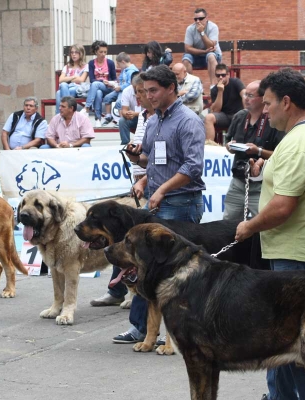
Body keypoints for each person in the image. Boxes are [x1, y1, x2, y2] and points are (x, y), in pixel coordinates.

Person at [235, 68, 305, 400]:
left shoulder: (299, 142)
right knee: (283, 344)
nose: (264, 110)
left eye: (267, 103)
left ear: (286, 102)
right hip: (297, 252)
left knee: (301, 352)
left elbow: (283, 207)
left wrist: (249, 226)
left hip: (297, 256)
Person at [115, 65, 205, 345]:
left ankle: (175, 332)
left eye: (153, 90)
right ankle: (141, 328)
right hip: (159, 200)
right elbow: (150, 160)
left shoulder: (188, 121)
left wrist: (163, 188)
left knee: (176, 271)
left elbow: (193, 167)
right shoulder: (153, 121)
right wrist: (140, 174)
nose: (148, 96)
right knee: (147, 266)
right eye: (145, 90)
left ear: (170, 89)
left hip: (181, 202)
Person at [90, 76, 154, 309]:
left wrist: (144, 181)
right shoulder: (144, 117)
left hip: (150, 186)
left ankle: (131, 293)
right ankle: (118, 289)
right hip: (138, 180)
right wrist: (134, 155)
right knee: (122, 238)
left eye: (142, 92)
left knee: (132, 242)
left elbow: (161, 162)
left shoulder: (157, 118)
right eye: (137, 92)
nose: (138, 97)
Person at [223, 80, 284, 220]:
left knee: (265, 227)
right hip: (238, 183)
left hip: (262, 186)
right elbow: (228, 141)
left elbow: (281, 154)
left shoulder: (272, 120)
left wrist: (258, 151)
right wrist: (229, 146)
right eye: (245, 94)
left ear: (262, 99)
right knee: (227, 225)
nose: (246, 99)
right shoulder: (239, 116)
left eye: (250, 96)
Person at [80, 40, 117, 127]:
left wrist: (109, 82)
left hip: (108, 88)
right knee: (98, 92)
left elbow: (114, 78)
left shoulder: (110, 63)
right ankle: (98, 119)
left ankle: (87, 108)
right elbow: (92, 79)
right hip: (97, 88)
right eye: (101, 52)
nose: (103, 54)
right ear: (96, 52)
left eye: (105, 52)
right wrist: (101, 81)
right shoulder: (92, 63)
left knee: (95, 85)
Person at [205, 63, 245, 141]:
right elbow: (216, 110)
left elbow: (244, 95)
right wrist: (220, 91)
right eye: (218, 75)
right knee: (208, 117)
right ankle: (209, 146)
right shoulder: (214, 90)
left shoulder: (236, 82)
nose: (220, 77)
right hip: (225, 116)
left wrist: (247, 112)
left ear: (228, 75)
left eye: (223, 75)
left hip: (238, 114)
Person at [182, 8, 222, 87]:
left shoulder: (213, 27)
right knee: (186, 58)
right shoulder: (190, 29)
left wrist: (202, 32)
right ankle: (189, 86)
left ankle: (213, 86)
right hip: (197, 57)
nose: (198, 21)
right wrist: (204, 51)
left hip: (213, 57)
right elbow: (187, 48)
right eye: (195, 19)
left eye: (200, 19)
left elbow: (210, 46)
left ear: (207, 18)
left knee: (210, 55)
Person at [102, 52, 139, 125]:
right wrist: (113, 83)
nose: (118, 66)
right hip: (119, 89)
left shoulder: (132, 71)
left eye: (119, 64)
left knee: (120, 102)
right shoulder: (124, 70)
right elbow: (120, 80)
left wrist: (120, 87)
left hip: (124, 90)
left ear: (123, 62)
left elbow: (130, 84)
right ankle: (109, 115)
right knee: (107, 98)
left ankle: (120, 119)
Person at [55, 44, 89, 114]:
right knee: (63, 86)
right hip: (67, 88)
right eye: (72, 52)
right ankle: (68, 113)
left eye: (76, 52)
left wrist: (67, 79)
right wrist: (73, 77)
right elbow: (60, 80)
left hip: (77, 89)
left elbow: (81, 80)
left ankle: (60, 115)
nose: (74, 54)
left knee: (59, 93)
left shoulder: (85, 66)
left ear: (81, 53)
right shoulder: (67, 66)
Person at [117, 72, 142, 145]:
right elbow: (124, 110)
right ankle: (125, 144)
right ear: (131, 83)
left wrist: (135, 114)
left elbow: (152, 112)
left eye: (139, 90)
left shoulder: (147, 90)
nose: (137, 91)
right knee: (122, 121)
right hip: (133, 118)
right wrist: (127, 114)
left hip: (147, 117)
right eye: (135, 88)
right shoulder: (126, 91)